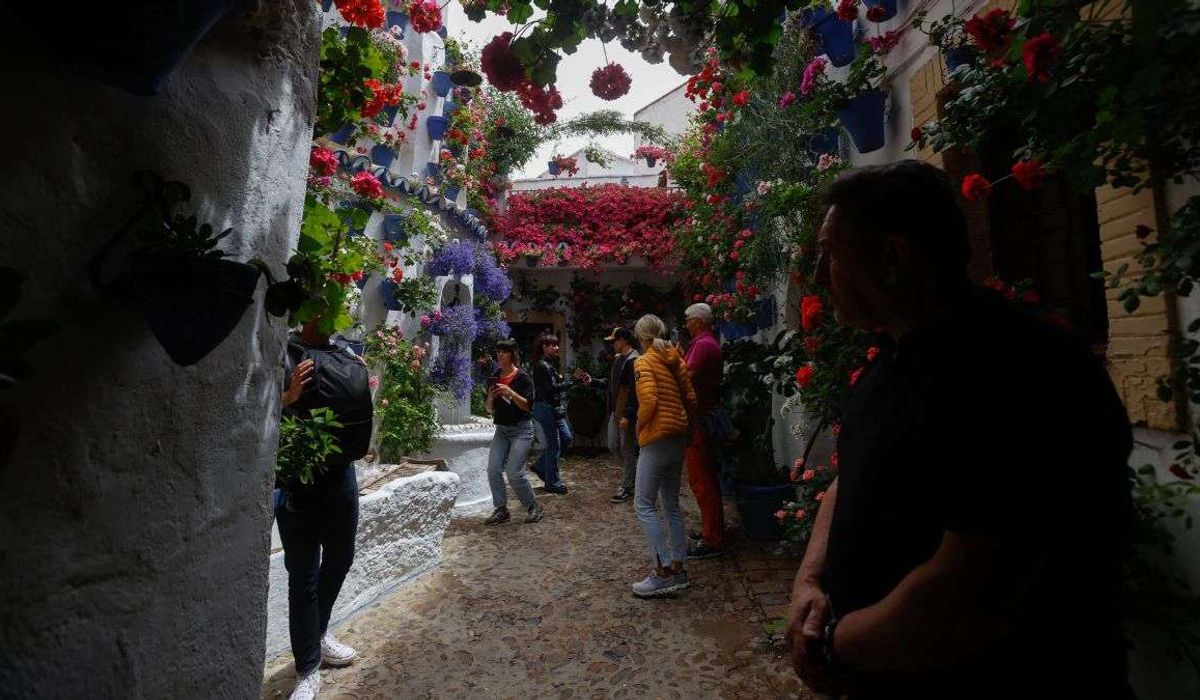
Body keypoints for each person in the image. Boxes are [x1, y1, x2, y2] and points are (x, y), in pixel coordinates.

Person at [787, 160, 1134, 699]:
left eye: (831, 253)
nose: (818, 274)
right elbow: (849, 477)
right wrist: (810, 581)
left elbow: (969, 594)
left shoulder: (1019, 372)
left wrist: (834, 645)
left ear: (893, 257)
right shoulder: (896, 357)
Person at [279, 319, 375, 700]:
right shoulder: (284, 351)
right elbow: (254, 407)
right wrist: (287, 398)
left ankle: (316, 634)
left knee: (341, 557)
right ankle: (307, 669)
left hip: (340, 475)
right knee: (303, 572)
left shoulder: (346, 353)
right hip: (297, 477)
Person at [629, 314, 699, 598]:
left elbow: (648, 400)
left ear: (641, 337)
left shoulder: (643, 361)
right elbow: (691, 399)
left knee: (643, 504)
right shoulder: (675, 359)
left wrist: (639, 425)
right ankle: (678, 568)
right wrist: (689, 430)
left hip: (657, 437)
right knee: (671, 503)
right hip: (678, 435)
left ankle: (663, 572)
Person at [681, 302, 726, 560]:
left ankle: (712, 538)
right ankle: (712, 529)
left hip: (699, 420)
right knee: (705, 477)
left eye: (688, 320)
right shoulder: (709, 343)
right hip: (705, 416)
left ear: (697, 321)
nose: (686, 324)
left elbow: (686, 377)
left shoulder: (702, 344)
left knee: (702, 479)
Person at [575, 326, 640, 503]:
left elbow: (635, 392)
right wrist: (593, 381)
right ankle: (633, 477)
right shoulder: (618, 359)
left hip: (626, 413)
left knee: (626, 449)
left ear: (623, 340)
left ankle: (628, 485)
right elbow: (611, 384)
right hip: (614, 411)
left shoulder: (635, 360)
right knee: (613, 446)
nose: (612, 344)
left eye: (614, 341)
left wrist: (628, 414)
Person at [482, 339, 544, 525]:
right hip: (502, 430)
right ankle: (501, 510)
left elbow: (527, 406)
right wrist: (491, 397)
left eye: (504, 351)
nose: (500, 355)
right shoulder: (494, 377)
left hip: (521, 430)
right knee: (493, 470)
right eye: (498, 351)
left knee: (514, 473)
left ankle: (534, 506)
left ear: (512, 355)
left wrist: (511, 392)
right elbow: (489, 409)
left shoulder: (523, 378)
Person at [530, 332, 572, 494]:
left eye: (557, 344)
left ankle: (540, 466)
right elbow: (552, 388)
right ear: (544, 347)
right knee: (554, 444)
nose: (557, 347)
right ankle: (552, 482)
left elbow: (553, 384)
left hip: (553, 407)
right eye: (553, 345)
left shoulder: (549, 364)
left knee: (566, 438)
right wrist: (571, 383)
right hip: (545, 408)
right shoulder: (542, 365)